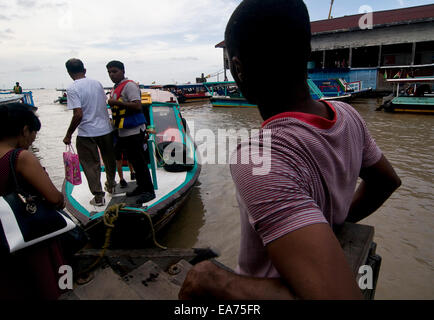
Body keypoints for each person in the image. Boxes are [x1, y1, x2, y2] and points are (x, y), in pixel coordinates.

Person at [179, 0, 401, 300]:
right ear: (306, 52)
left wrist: (219, 282)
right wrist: (333, 224)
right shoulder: (348, 116)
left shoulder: (259, 155)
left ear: (238, 69)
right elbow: (386, 181)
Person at [0, 103, 67, 299]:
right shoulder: (20, 157)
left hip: (3, 239)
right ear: (24, 129)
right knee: (46, 283)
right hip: (29, 239)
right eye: (32, 134)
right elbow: (54, 198)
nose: (31, 140)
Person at [63, 58, 117, 206]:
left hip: (87, 133)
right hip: (106, 129)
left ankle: (99, 197)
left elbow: (78, 114)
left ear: (69, 72)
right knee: (109, 158)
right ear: (84, 70)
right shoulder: (97, 83)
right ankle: (111, 185)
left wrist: (68, 134)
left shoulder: (72, 88)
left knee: (90, 164)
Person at [106, 60, 155, 203]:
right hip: (123, 132)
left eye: (114, 71)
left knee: (139, 163)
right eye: (109, 72)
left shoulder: (129, 86)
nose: (111, 74)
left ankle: (149, 191)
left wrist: (117, 103)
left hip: (134, 131)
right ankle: (141, 186)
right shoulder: (116, 87)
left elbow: (137, 106)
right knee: (133, 160)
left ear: (122, 71)